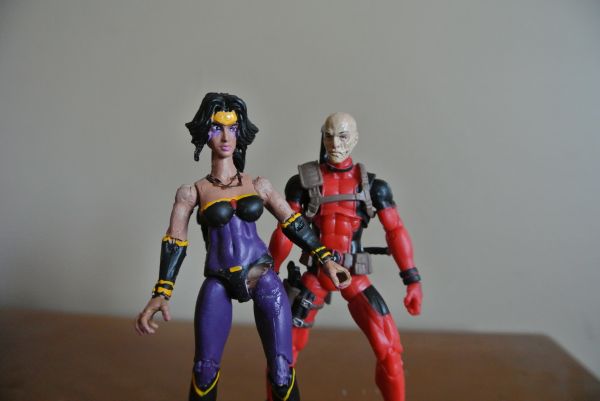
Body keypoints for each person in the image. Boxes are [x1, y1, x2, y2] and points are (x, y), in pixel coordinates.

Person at [134, 93, 351, 401]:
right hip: (220, 279)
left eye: (232, 128)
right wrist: (161, 292)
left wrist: (326, 259)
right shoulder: (193, 192)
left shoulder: (258, 185)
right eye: (217, 127)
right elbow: (175, 240)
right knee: (204, 369)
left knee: (281, 369)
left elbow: (293, 221)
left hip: (261, 274)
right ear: (205, 132)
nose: (226, 137)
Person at [268, 112, 423, 401]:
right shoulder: (302, 183)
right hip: (316, 274)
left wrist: (411, 280)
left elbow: (395, 230)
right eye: (328, 136)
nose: (335, 143)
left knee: (390, 350)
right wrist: (270, 274)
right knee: (282, 354)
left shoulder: (373, 187)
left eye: (342, 136)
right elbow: (285, 229)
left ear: (355, 139)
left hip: (353, 274)